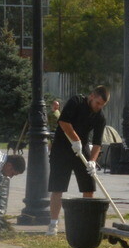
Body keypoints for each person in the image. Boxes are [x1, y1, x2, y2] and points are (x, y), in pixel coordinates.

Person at [47, 85, 110, 235]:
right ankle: (53, 223)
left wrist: (93, 161)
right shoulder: (76, 101)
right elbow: (63, 122)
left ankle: (85, 223)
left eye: (102, 105)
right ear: (92, 96)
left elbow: (97, 143)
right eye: (97, 103)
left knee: (89, 186)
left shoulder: (100, 117)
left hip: (82, 149)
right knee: (58, 188)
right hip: (62, 148)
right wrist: (75, 140)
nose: (98, 107)